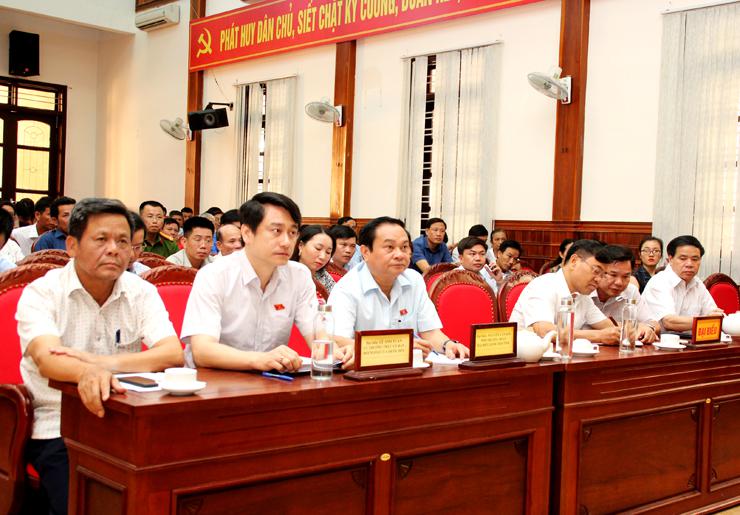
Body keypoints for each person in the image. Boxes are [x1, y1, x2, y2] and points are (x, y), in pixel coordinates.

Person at [16, 198, 184, 515]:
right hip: (60, 425)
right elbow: (48, 359)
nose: (114, 250)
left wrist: (99, 365)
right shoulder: (43, 292)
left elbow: (172, 353)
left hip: (127, 418)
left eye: (123, 241)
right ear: (72, 245)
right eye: (101, 239)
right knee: (86, 503)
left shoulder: (141, 291)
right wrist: (84, 373)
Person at [182, 192, 348, 371]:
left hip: (271, 380)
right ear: (247, 233)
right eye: (276, 231)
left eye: (292, 233)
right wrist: (259, 360)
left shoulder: (299, 276)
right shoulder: (214, 275)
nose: (286, 242)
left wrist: (339, 355)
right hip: (213, 381)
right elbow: (203, 351)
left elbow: (318, 336)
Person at [328, 216, 470, 359]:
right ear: (365, 252)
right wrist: (398, 347)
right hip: (364, 369)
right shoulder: (347, 288)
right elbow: (337, 340)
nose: (399, 255)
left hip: (409, 368)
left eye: (404, 247)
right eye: (389, 247)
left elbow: (430, 332)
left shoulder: (414, 280)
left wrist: (448, 344)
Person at [509, 239, 621, 344]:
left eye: (602, 275)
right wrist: (598, 336)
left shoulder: (582, 296)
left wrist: (625, 331)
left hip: (562, 355)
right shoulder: (543, 285)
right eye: (596, 271)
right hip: (525, 355)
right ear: (574, 261)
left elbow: (608, 326)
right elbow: (544, 331)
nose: (598, 279)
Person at [641, 235, 723, 332]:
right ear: (670, 259)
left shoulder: (697, 283)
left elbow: (713, 313)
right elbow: (669, 322)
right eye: (683, 258)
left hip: (688, 340)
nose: (689, 264)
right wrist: (707, 320)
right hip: (657, 340)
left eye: (695, 259)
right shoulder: (659, 281)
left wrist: (716, 317)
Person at [587, 245, 659, 343]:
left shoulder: (630, 291)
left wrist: (648, 329)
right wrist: (634, 327)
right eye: (613, 275)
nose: (619, 282)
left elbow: (654, 323)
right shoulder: (585, 290)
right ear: (598, 271)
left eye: (626, 276)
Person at [292, 224, 336, 294]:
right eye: (318, 248)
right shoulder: (287, 274)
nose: (323, 257)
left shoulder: (324, 277)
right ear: (301, 246)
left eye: (328, 252)